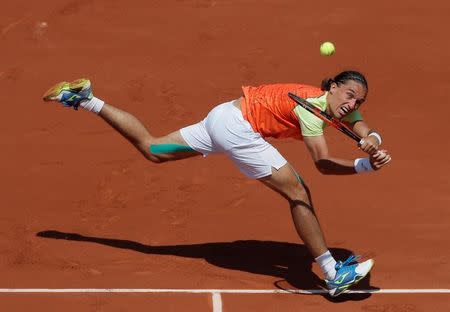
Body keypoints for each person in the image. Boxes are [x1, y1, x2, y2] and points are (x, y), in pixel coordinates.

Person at [42, 70, 391, 297]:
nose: (351, 104)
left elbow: (359, 123)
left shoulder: (332, 103)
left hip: (222, 115)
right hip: (239, 128)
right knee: (298, 191)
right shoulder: (310, 113)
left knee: (154, 149)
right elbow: (324, 165)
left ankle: (86, 99)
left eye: (358, 100)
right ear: (331, 88)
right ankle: (332, 272)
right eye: (347, 95)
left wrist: (371, 137)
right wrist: (364, 165)